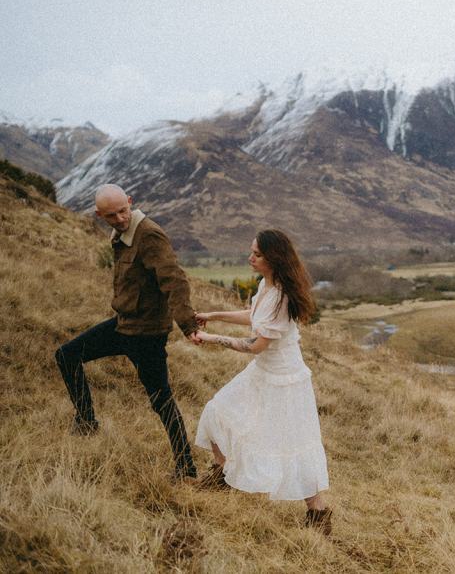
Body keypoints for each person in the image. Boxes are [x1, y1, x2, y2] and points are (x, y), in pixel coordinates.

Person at [55, 184, 201, 479]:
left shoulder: (148, 234)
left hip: (147, 333)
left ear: (130, 202)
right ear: (100, 215)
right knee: (66, 355)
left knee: (161, 400)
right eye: (111, 215)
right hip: (123, 325)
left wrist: (188, 325)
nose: (120, 218)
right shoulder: (120, 235)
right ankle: (87, 421)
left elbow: (174, 280)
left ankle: (185, 467)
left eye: (123, 211)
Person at [192, 229, 331, 535]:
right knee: (216, 410)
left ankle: (318, 514)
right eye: (252, 252)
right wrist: (212, 315)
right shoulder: (266, 285)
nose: (250, 258)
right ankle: (222, 474)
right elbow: (254, 315)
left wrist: (211, 338)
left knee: (294, 445)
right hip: (262, 372)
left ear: (274, 258)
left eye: (257, 254)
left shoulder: (281, 297)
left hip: (284, 379)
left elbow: (255, 345)